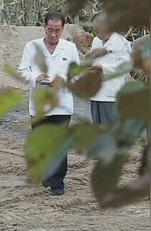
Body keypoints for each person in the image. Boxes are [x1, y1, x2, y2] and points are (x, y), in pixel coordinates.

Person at [18, 12, 80, 196]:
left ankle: (58, 183)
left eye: (57, 31)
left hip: (61, 104)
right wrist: (34, 78)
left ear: (63, 29)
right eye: (50, 30)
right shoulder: (32, 46)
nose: (53, 35)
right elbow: (22, 71)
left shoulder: (70, 48)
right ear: (44, 27)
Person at [89, 12, 131, 124]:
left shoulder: (122, 43)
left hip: (110, 95)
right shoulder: (96, 41)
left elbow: (126, 66)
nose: (95, 32)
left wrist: (103, 67)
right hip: (95, 93)